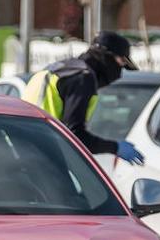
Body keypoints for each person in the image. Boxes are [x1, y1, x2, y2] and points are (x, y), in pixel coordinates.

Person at [22, 31, 145, 165]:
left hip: (23, 151)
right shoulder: (82, 78)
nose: (120, 70)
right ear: (106, 56)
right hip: (47, 158)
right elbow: (74, 135)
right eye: (121, 62)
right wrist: (114, 147)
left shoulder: (56, 70)